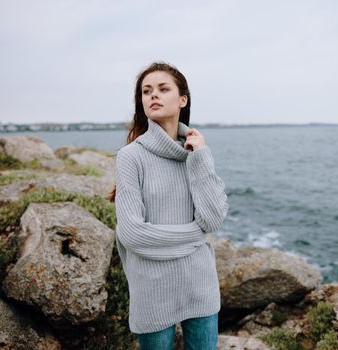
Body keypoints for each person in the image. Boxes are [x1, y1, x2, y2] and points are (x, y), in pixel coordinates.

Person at [109, 61, 230, 350]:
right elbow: (132, 234)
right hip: (153, 290)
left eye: (163, 89)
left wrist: (201, 156)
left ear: (182, 99)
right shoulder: (130, 157)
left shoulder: (196, 153)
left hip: (200, 285)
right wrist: (195, 235)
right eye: (147, 91)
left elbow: (213, 220)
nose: (154, 95)